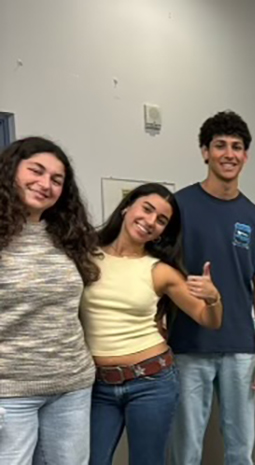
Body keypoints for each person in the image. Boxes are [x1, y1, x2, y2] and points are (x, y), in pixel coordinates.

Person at [83, 183, 223, 465]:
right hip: (96, 384)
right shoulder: (86, 256)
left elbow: (209, 319)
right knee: (91, 460)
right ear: (127, 207)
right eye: (146, 209)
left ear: (162, 232)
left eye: (161, 220)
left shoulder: (160, 271)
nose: (150, 221)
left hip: (151, 382)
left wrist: (214, 298)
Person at [169, 111, 255, 465]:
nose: (229, 154)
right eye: (220, 146)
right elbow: (157, 273)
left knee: (241, 448)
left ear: (246, 156)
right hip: (188, 346)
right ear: (205, 152)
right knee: (186, 449)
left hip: (239, 349)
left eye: (237, 147)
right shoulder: (178, 207)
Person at [0, 137, 100, 464]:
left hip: (71, 384)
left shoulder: (68, 236)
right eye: (36, 171)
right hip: (9, 390)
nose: (46, 184)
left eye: (57, 180)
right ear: (11, 170)